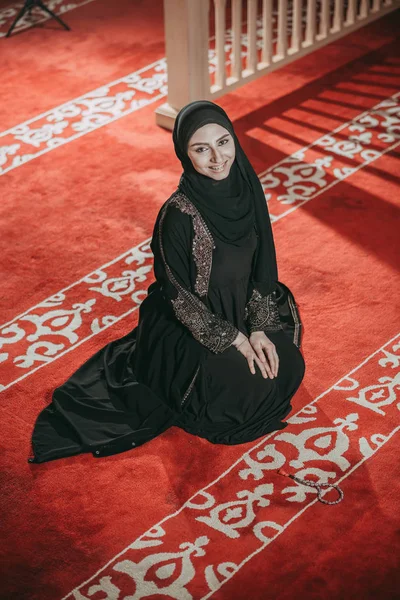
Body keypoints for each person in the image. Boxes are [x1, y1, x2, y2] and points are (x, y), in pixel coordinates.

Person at [29, 101, 305, 464]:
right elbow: (180, 297)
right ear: (184, 154)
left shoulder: (247, 190)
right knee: (242, 388)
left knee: (288, 364)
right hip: (191, 323)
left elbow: (262, 267)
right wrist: (235, 338)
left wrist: (257, 329)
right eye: (201, 149)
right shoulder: (177, 215)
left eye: (223, 142)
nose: (217, 158)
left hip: (242, 305)